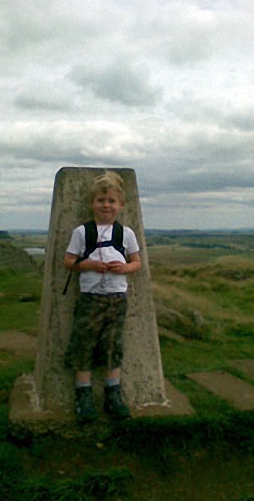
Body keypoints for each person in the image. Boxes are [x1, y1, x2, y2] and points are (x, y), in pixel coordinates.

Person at [64, 171, 141, 423]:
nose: (106, 205)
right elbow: (69, 261)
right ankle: (83, 397)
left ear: (120, 204)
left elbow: (136, 263)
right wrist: (89, 265)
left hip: (117, 298)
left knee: (112, 345)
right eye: (101, 200)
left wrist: (124, 268)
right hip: (90, 298)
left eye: (111, 200)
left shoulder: (125, 234)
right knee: (84, 344)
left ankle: (113, 394)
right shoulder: (82, 232)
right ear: (92, 203)